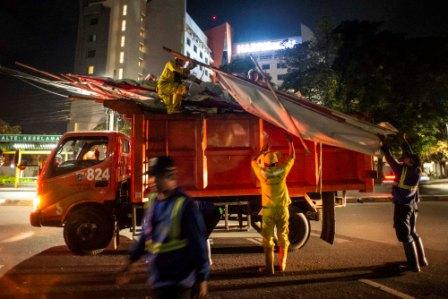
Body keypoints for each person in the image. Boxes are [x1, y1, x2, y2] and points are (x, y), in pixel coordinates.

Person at [117, 156, 209, 298]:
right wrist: (130, 262)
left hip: (180, 284)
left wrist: (202, 278)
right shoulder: (153, 203)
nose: (151, 180)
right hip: (158, 281)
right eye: (151, 176)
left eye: (156, 176)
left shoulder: (185, 205)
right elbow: (145, 237)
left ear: (169, 176)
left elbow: (198, 244)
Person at [380, 133, 428, 272]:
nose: (404, 158)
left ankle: (413, 265)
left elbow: (390, 159)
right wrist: (404, 141)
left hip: (403, 207)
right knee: (413, 233)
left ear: (410, 162)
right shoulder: (417, 169)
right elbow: (411, 153)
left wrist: (384, 144)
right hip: (413, 206)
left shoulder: (402, 170)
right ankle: (422, 260)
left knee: (405, 236)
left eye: (406, 158)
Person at [251, 132, 295, 274]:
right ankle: (282, 265)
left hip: (268, 210)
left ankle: (269, 268)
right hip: (282, 208)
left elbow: (253, 161)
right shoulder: (281, 171)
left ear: (265, 163)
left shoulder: (262, 173)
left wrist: (262, 151)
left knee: (268, 239)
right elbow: (292, 157)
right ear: (276, 162)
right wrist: (291, 143)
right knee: (283, 236)